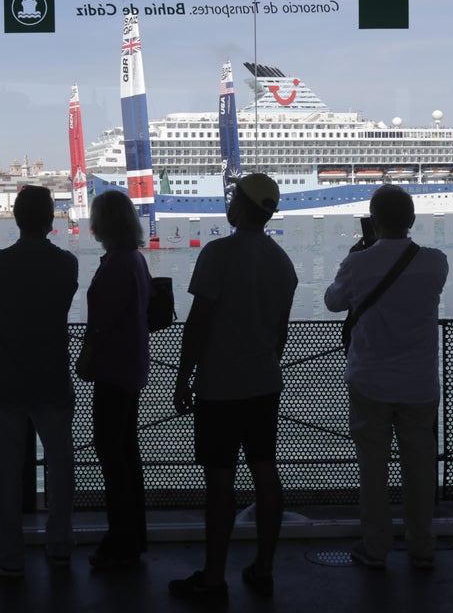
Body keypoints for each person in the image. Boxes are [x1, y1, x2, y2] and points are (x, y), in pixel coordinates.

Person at [169, 173, 297, 602]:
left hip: (219, 387)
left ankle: (213, 577)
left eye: (233, 196)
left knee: (220, 482)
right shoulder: (282, 262)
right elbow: (280, 332)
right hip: (264, 384)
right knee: (265, 470)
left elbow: (198, 322)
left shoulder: (217, 254)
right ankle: (263, 568)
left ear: (241, 207)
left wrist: (183, 376)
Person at [324, 184, 448, 571]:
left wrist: (352, 258)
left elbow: (333, 302)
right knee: (420, 469)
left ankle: (375, 548)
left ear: (373, 221)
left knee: (372, 469)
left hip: (369, 381)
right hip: (419, 384)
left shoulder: (358, 263)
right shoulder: (436, 261)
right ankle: (422, 546)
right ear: (411, 220)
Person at [0, 186, 79, 578]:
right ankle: (60, 544)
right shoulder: (66, 264)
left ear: (15, 219)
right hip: (52, 374)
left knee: (4, 468)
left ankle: (10, 553)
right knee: (61, 462)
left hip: (7, 377)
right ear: (51, 221)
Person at [82, 189, 152, 570]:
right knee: (127, 454)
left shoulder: (115, 266)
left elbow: (100, 326)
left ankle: (120, 539)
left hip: (113, 370)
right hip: (133, 367)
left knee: (112, 455)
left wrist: (85, 360)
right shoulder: (135, 260)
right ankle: (135, 534)